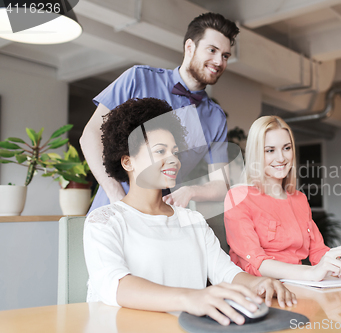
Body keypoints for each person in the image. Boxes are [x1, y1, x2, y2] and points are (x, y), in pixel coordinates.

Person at [83, 98, 296, 326]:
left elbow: (225, 271)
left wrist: (257, 283)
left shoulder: (191, 219)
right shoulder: (104, 221)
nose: (173, 159)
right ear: (127, 162)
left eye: (174, 151)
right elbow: (116, 285)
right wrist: (191, 298)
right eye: (160, 151)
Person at [81, 12, 238, 214]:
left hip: (161, 221)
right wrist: (117, 196)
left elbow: (221, 184)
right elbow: (90, 136)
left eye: (225, 56)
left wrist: (190, 191)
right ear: (189, 47)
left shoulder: (215, 117)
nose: (219, 61)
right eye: (212, 50)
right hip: (112, 211)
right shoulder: (138, 78)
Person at [224, 116, 341, 281]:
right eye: (270, 150)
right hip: (259, 293)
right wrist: (311, 273)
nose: (281, 158)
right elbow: (256, 262)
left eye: (286, 148)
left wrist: (340, 264)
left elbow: (317, 251)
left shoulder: (299, 199)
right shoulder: (238, 197)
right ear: (256, 154)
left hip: (298, 286)